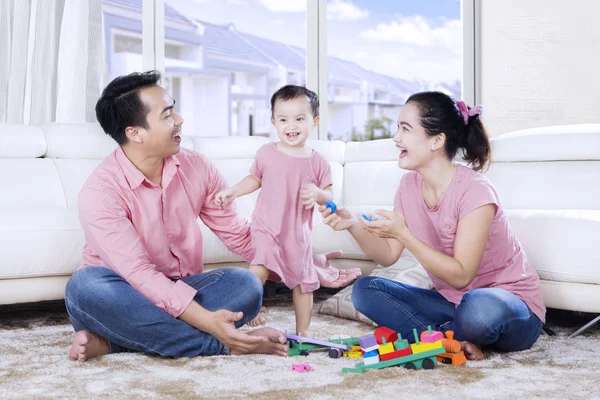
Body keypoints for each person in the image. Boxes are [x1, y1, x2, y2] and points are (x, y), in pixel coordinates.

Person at [66, 71, 289, 361]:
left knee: (246, 285)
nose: (180, 120)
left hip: (183, 291)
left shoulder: (195, 166)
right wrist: (210, 324)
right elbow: (140, 275)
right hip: (123, 297)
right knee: (85, 287)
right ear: (135, 133)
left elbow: (238, 233)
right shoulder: (100, 192)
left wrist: (297, 265)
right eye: (168, 114)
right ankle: (224, 344)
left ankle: (115, 343)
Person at [320, 91, 545, 360]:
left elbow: (461, 275)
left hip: (509, 304)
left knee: (478, 309)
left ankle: (442, 333)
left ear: (437, 140)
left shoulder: (476, 191)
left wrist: (404, 233)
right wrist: (352, 225)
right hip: (452, 303)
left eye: (405, 128)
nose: (396, 138)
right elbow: (388, 256)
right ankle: (446, 341)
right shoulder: (408, 186)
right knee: (365, 289)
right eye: (397, 128)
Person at [215, 85, 360, 335]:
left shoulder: (318, 162)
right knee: (259, 268)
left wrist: (319, 194)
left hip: (298, 234)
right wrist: (234, 190)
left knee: (303, 283)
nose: (290, 126)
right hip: (266, 226)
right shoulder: (266, 153)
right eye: (283, 119)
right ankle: (248, 311)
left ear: (314, 121)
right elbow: (255, 178)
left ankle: (303, 332)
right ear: (274, 122)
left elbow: (329, 197)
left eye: (299, 119)